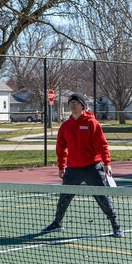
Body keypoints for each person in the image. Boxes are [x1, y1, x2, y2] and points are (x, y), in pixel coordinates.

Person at [43, 93, 123, 237]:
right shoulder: (66, 126)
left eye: (76, 102)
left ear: (82, 105)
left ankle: (115, 226)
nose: (73, 105)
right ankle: (57, 223)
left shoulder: (91, 123)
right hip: (73, 169)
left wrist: (106, 163)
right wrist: (61, 167)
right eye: (71, 102)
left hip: (93, 167)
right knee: (64, 198)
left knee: (103, 198)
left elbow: (102, 144)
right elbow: (61, 148)